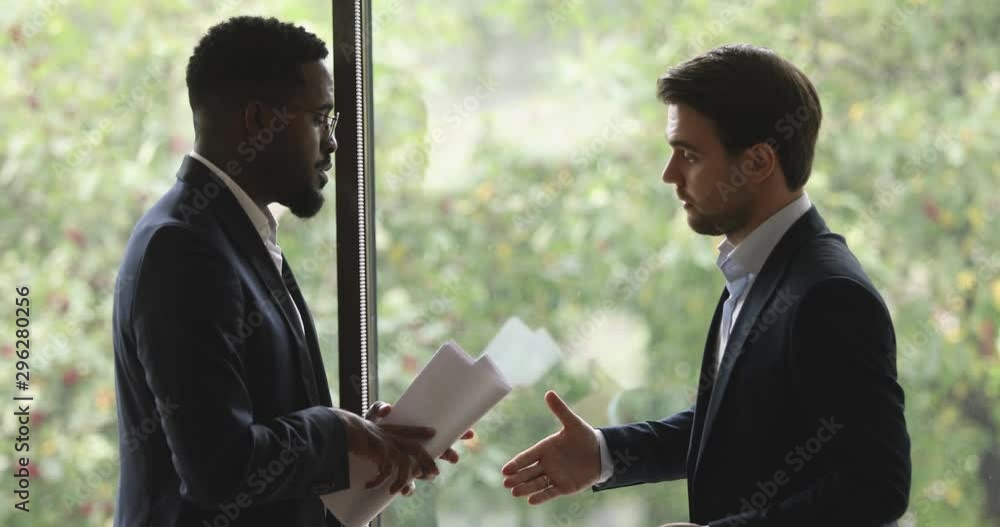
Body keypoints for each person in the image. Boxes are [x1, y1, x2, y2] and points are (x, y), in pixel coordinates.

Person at [500, 44, 911, 527]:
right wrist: (606, 452)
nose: (669, 175)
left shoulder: (828, 294)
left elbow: (876, 488)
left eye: (689, 155)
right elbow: (733, 427)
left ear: (758, 162)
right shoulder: (758, 268)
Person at [112, 16, 470, 526]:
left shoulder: (233, 233)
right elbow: (218, 468)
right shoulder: (183, 248)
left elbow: (261, 424)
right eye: (321, 117)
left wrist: (362, 439)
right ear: (259, 120)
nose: (333, 143)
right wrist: (338, 432)